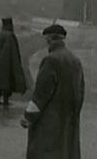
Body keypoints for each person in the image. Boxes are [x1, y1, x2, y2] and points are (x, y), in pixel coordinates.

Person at [21, 24, 85, 159]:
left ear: (49, 40)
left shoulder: (50, 60)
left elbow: (41, 95)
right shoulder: (75, 61)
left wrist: (27, 117)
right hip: (68, 121)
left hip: (49, 124)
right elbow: (81, 92)